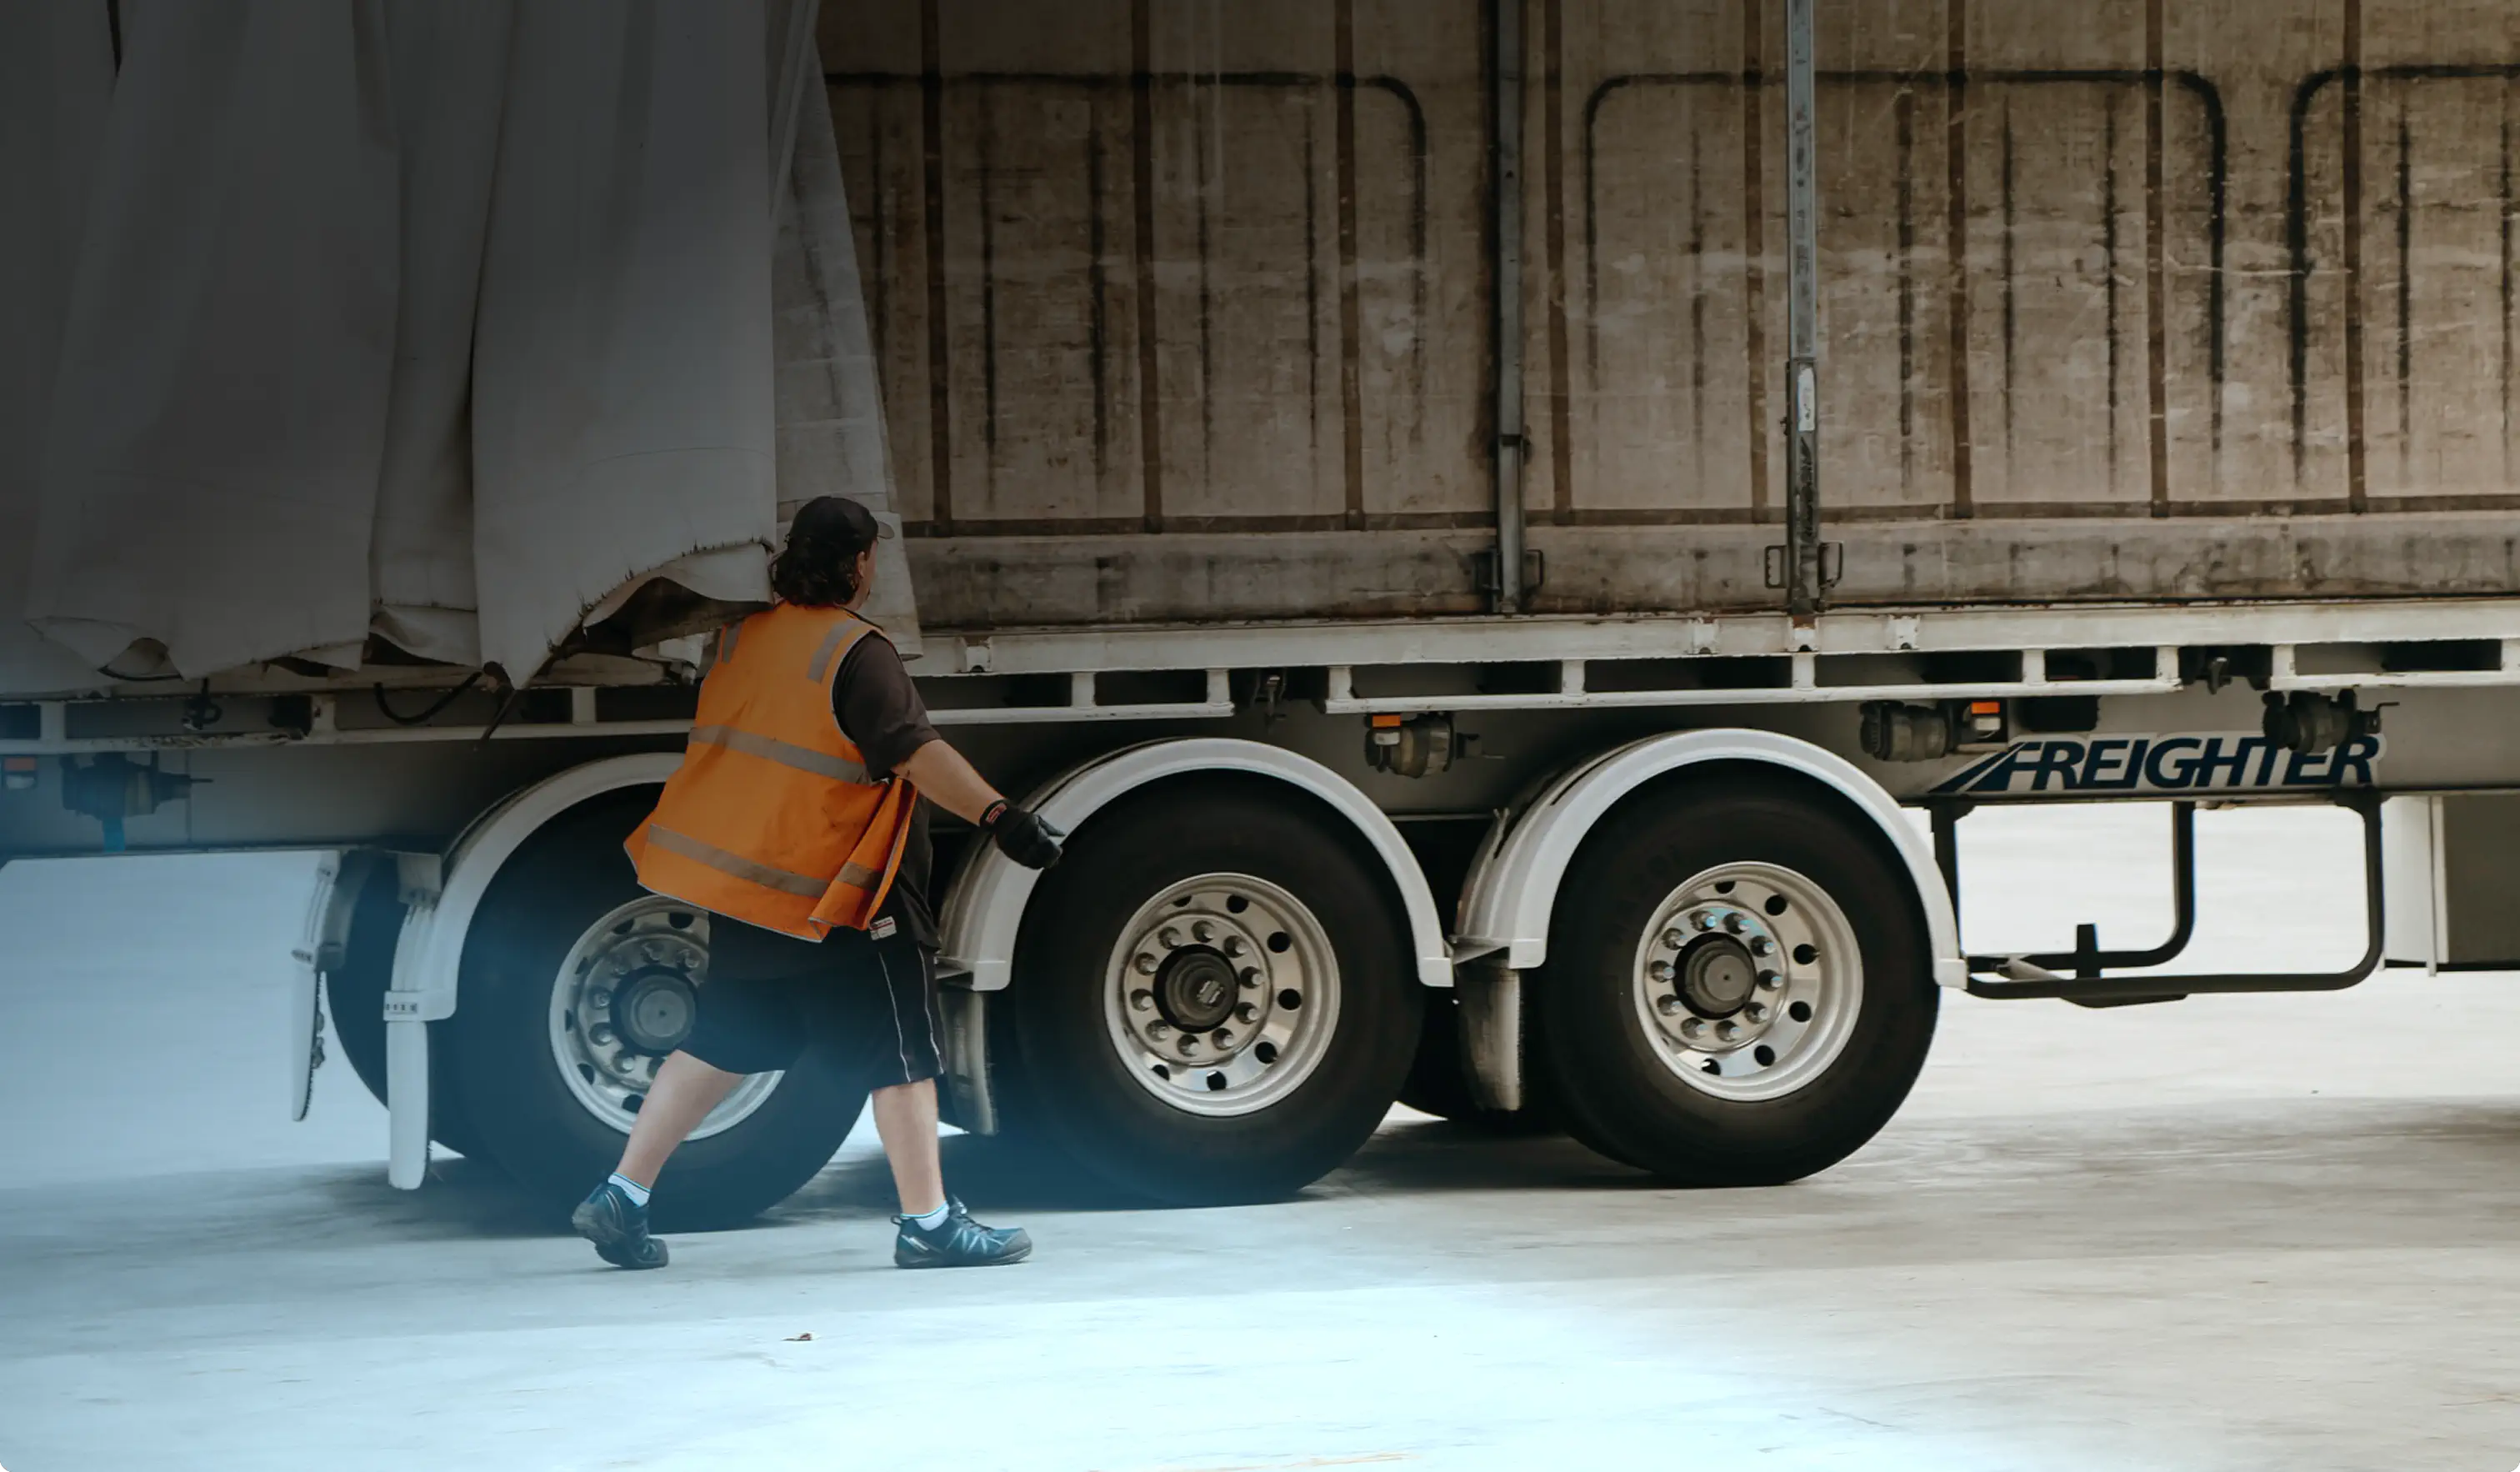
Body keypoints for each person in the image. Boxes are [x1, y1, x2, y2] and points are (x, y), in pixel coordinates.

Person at [571, 495, 1064, 1270]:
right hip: (846, 894)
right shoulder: (857, 653)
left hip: (754, 886)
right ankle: (930, 1223)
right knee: (902, 1054)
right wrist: (999, 815)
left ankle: (621, 1195)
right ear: (861, 564)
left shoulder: (737, 642)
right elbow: (915, 752)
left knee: (719, 1042)